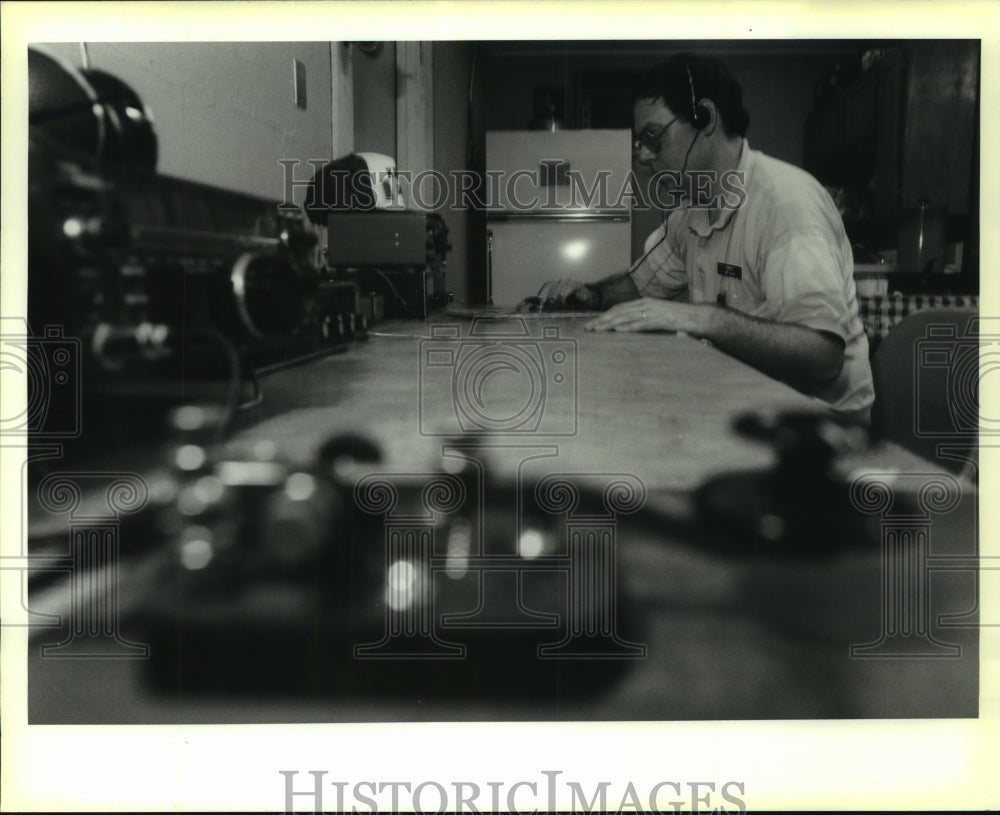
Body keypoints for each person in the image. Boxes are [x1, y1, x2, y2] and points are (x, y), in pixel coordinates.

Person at [544, 53, 874, 423]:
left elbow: (821, 357)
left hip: (822, 428)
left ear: (705, 118)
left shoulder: (786, 204)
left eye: (653, 137)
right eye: (639, 143)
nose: (643, 156)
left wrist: (704, 319)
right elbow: (642, 287)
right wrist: (593, 295)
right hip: (750, 405)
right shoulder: (691, 212)